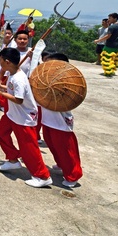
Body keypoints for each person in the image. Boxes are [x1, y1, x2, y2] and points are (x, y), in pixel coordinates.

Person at [0, 48, 52, 188]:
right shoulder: (12, 73)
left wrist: (0, 93)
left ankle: (43, 176)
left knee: (29, 147)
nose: (0, 64)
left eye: (0, 61)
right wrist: (1, 86)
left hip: (24, 118)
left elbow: (18, 99)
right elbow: (11, 89)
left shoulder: (19, 78)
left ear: (7, 62)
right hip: (13, 115)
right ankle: (12, 159)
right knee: (0, 132)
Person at [39, 52, 83, 188]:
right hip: (47, 119)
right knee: (53, 145)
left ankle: (73, 175)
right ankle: (61, 165)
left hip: (60, 122)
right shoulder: (45, 78)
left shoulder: (67, 81)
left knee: (66, 149)